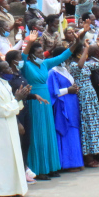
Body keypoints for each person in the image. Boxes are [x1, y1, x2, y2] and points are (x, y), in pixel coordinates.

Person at [20, 38, 72, 179]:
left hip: (46, 100)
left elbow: (63, 56)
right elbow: (23, 56)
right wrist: (29, 42)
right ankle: (38, 169)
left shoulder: (45, 64)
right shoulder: (26, 65)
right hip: (34, 101)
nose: (42, 55)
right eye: (38, 53)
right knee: (37, 133)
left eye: (42, 52)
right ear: (31, 55)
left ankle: (51, 167)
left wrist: (79, 39)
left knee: (48, 132)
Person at [0, 59, 30, 197]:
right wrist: (16, 99)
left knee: (13, 155)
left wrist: (20, 97)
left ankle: (14, 189)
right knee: (3, 157)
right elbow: (1, 110)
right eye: (7, 68)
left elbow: (15, 106)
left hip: (9, 123)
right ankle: (3, 192)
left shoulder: (5, 85)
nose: (11, 70)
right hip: (0, 125)